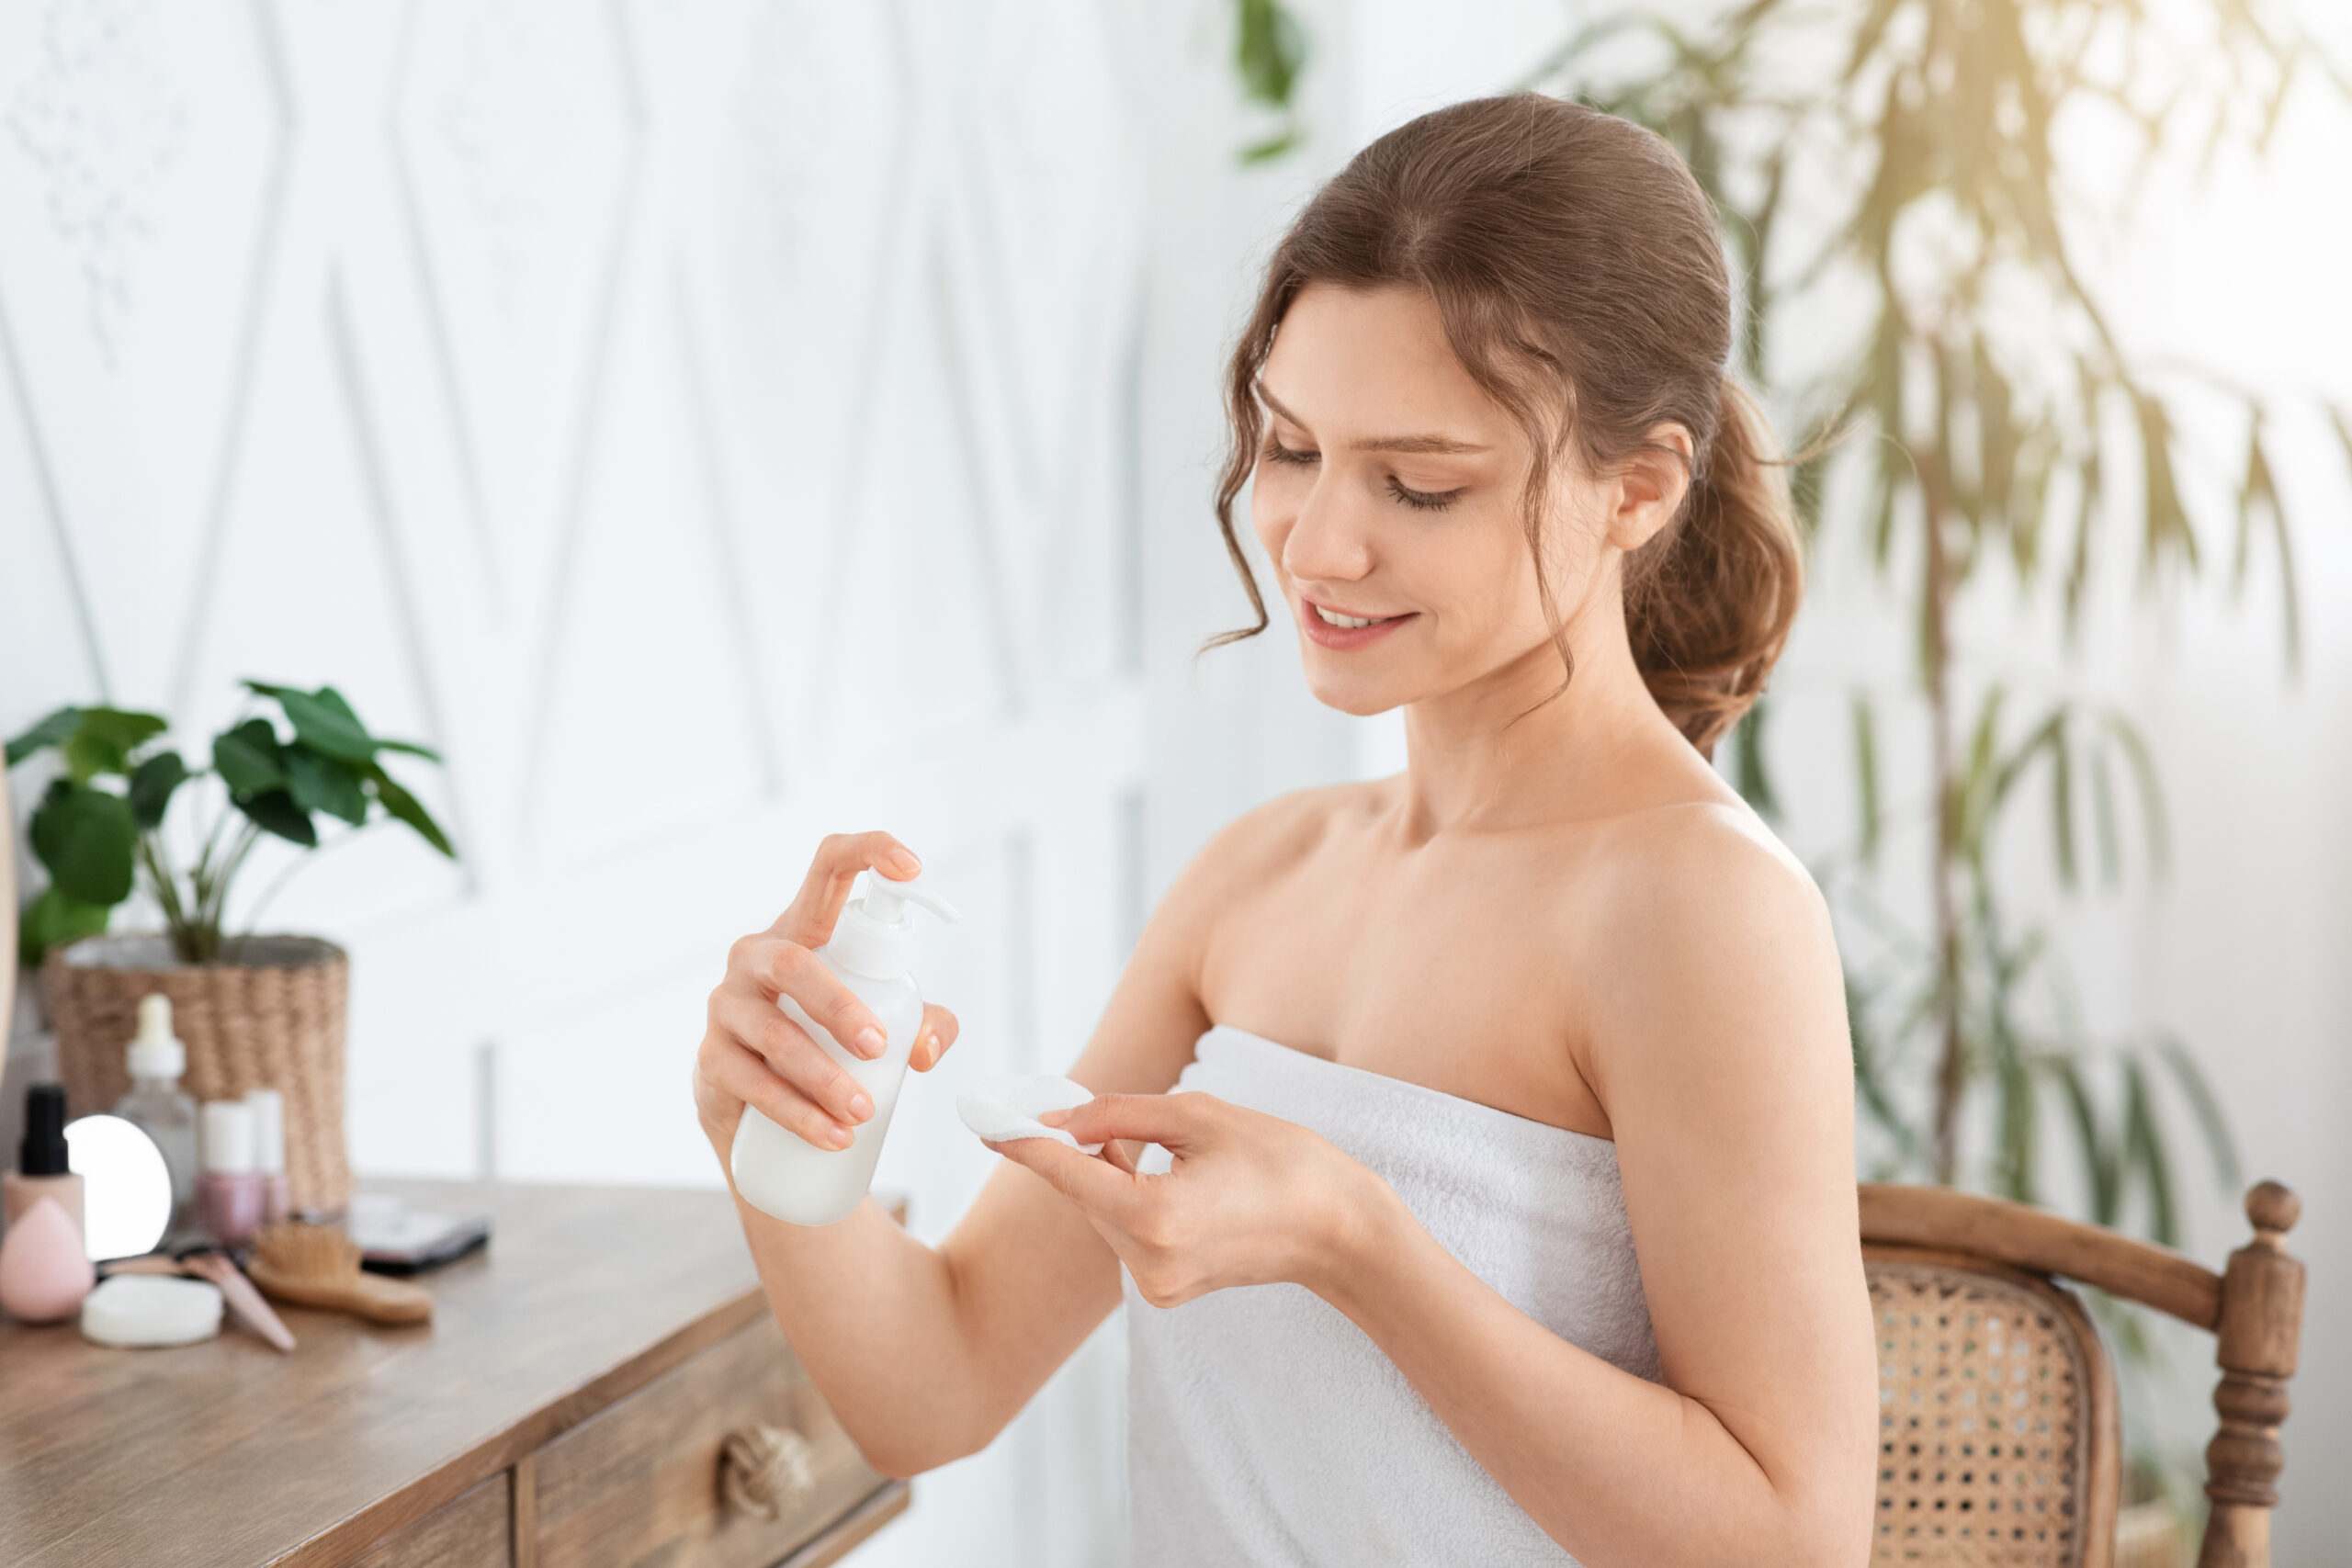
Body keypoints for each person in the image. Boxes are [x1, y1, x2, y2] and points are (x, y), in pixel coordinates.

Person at [693, 91, 1878, 1566]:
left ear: (1637, 488)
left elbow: (1794, 1539)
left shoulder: (1696, 909)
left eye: (1419, 484)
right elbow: (935, 1386)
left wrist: (1358, 1247)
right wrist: (776, 1131)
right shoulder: (1261, 878)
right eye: (1293, 447)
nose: (1317, 543)